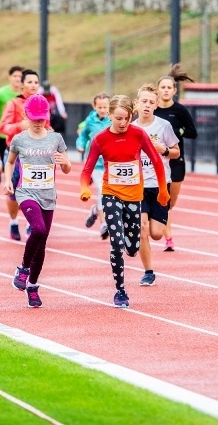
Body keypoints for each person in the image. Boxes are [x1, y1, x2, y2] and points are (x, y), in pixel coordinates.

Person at [80, 94, 169, 309]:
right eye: (118, 118)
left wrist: (163, 189)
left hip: (134, 196)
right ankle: (120, 290)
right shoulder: (100, 139)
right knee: (117, 243)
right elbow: (87, 169)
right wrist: (84, 187)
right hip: (111, 193)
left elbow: (156, 161)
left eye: (127, 118)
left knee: (132, 248)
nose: (122, 123)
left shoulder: (138, 134)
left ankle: (129, 246)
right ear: (109, 116)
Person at [5, 94, 71, 308]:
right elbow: (10, 161)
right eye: (33, 119)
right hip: (26, 193)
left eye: (41, 119)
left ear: (47, 117)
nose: (37, 123)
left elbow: (67, 168)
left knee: (41, 244)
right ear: (26, 116)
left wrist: (65, 163)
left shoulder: (56, 139)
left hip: (48, 196)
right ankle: (23, 269)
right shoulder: (20, 139)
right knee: (39, 230)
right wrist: (8, 181)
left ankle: (32, 286)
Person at [132, 84, 179, 286]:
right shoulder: (131, 128)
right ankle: (148, 271)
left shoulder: (163, 126)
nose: (147, 105)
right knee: (142, 229)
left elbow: (177, 152)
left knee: (156, 234)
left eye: (151, 102)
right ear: (136, 104)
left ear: (157, 105)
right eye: (144, 101)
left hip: (160, 186)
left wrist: (165, 150)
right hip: (138, 186)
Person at [0, 68, 50, 241]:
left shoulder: (42, 103)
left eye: (36, 82)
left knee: (34, 190)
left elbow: (47, 127)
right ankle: (13, 221)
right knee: (13, 193)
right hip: (15, 154)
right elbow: (3, 128)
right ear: (22, 85)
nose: (33, 85)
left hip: (35, 155)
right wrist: (19, 126)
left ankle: (31, 224)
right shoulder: (13, 104)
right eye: (29, 82)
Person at [154, 64, 197, 251]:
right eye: (162, 87)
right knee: (161, 199)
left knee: (171, 202)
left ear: (174, 91)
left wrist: (178, 131)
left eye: (168, 87)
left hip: (176, 160)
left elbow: (192, 132)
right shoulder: (152, 110)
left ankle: (163, 225)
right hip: (156, 162)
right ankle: (168, 237)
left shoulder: (180, 110)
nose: (165, 90)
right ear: (157, 90)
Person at [75, 92, 111, 239]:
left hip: (112, 163)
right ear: (94, 106)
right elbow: (82, 135)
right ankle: (103, 224)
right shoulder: (90, 121)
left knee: (113, 195)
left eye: (105, 107)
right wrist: (80, 145)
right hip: (96, 164)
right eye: (100, 107)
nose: (102, 110)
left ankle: (95, 210)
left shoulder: (114, 119)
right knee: (102, 192)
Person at [0, 66, 23, 186]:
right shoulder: (0, 93)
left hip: (19, 136)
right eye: (15, 76)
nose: (17, 79)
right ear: (9, 77)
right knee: (6, 165)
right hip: (3, 135)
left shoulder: (24, 93)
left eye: (20, 76)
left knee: (19, 167)